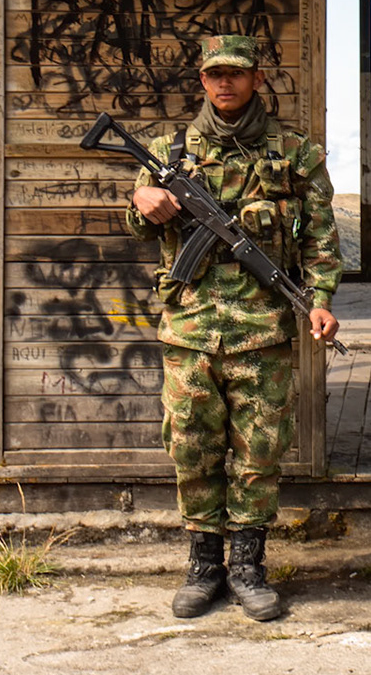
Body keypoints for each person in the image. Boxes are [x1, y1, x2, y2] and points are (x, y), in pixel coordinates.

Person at [126, 34, 342, 621]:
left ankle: (247, 566)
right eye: (215, 73)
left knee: (259, 450)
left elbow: (322, 238)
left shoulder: (295, 153)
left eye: (237, 73)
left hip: (263, 330)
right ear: (202, 80)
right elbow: (138, 225)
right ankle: (204, 567)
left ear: (257, 79)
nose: (225, 83)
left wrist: (320, 300)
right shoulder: (167, 151)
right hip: (189, 330)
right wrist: (142, 198)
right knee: (192, 447)